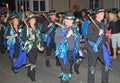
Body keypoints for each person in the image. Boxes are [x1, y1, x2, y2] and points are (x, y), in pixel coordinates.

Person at [55, 11, 84, 83]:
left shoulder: (74, 29)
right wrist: (67, 36)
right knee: (66, 71)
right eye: (67, 20)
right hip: (63, 53)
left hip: (72, 52)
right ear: (64, 20)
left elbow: (77, 40)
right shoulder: (60, 29)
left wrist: (79, 49)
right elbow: (57, 41)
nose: (69, 21)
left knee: (68, 70)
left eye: (71, 20)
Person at [86, 6, 111, 83]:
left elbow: (103, 37)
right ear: (97, 14)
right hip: (93, 48)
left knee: (106, 63)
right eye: (101, 13)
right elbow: (89, 37)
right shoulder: (91, 25)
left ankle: (104, 81)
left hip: (101, 48)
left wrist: (107, 46)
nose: (103, 15)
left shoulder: (102, 24)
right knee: (92, 67)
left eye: (103, 13)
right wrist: (98, 33)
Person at [23, 12, 44, 81]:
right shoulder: (26, 29)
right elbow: (23, 39)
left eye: (34, 19)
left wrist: (41, 46)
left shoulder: (37, 28)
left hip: (36, 47)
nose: (33, 21)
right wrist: (29, 38)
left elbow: (40, 38)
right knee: (33, 62)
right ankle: (32, 75)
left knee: (33, 60)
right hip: (29, 48)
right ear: (29, 21)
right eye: (31, 19)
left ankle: (29, 71)